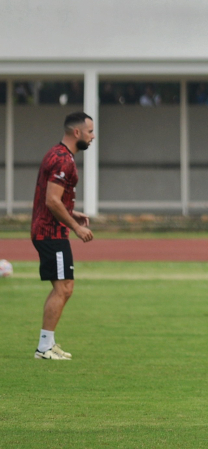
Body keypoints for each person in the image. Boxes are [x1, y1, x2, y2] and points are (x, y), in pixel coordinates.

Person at [30, 112, 95, 360]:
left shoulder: (58, 154)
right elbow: (51, 200)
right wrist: (77, 228)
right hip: (50, 233)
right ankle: (44, 347)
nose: (93, 136)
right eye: (90, 131)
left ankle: (49, 343)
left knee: (65, 287)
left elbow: (54, 200)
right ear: (76, 132)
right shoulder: (62, 160)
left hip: (50, 230)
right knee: (64, 287)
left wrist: (72, 213)